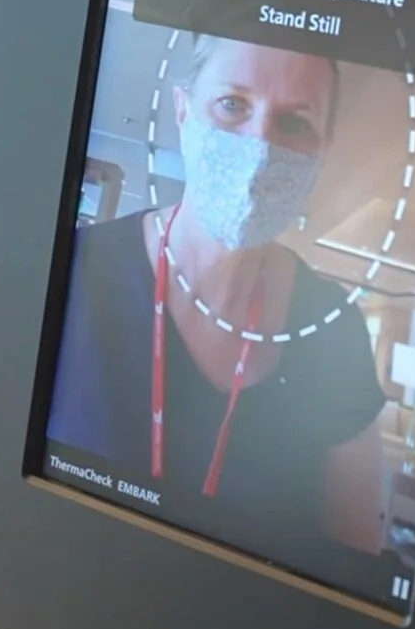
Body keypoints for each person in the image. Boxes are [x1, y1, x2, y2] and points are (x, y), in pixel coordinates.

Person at [47, 33, 387, 556]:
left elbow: (354, 554)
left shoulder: (333, 331)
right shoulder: (72, 269)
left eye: (294, 122)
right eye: (232, 104)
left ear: (323, 148)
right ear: (183, 112)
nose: (259, 147)